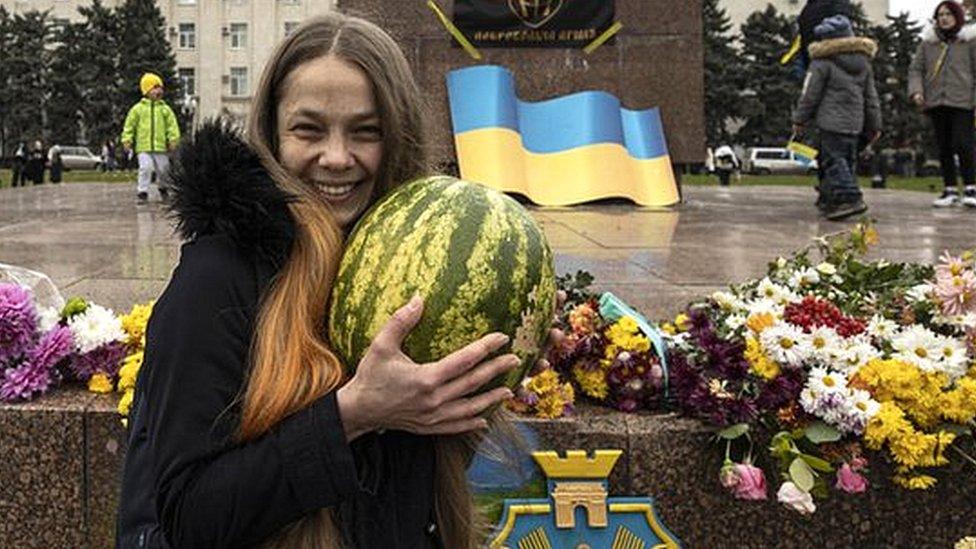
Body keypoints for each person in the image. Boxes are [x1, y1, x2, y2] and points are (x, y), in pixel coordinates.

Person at [117, 13, 537, 548]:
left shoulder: (414, 265)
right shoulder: (218, 277)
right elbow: (190, 519)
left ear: (397, 138)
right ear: (272, 133)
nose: (337, 158)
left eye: (366, 132)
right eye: (309, 129)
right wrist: (352, 414)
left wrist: (472, 392)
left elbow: (398, 489)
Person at [793, 15, 881, 221]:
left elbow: (810, 95)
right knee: (847, 161)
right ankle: (831, 199)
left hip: (830, 122)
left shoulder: (821, 63)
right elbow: (871, 97)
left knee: (834, 161)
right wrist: (875, 125)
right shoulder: (864, 63)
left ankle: (850, 198)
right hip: (855, 124)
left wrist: (800, 119)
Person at [909, 1, 976, 208]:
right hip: (936, 101)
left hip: (963, 101)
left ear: (957, 16)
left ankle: (971, 187)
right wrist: (917, 91)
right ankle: (949, 189)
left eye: (948, 14)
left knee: (963, 143)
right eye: (940, 15)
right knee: (944, 146)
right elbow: (916, 69)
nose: (944, 18)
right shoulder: (928, 43)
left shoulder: (969, 42)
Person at [121, 72, 181, 202]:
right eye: (155, 87)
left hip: (160, 147)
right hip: (143, 147)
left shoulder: (165, 109)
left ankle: (163, 188)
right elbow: (129, 125)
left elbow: (172, 126)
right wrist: (127, 139)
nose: (159, 91)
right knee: (146, 168)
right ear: (146, 90)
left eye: (160, 88)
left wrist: (173, 139)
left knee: (164, 169)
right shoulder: (137, 109)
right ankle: (142, 192)